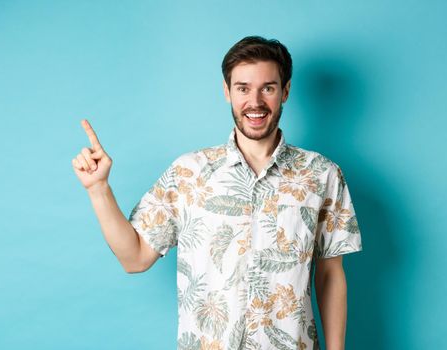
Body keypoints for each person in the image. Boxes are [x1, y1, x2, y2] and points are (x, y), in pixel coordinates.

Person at [72, 36, 362, 350]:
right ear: (227, 92)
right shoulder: (189, 172)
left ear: (285, 91)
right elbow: (135, 258)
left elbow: (331, 275)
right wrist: (99, 189)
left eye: (268, 87)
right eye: (243, 88)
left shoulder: (322, 174)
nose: (255, 101)